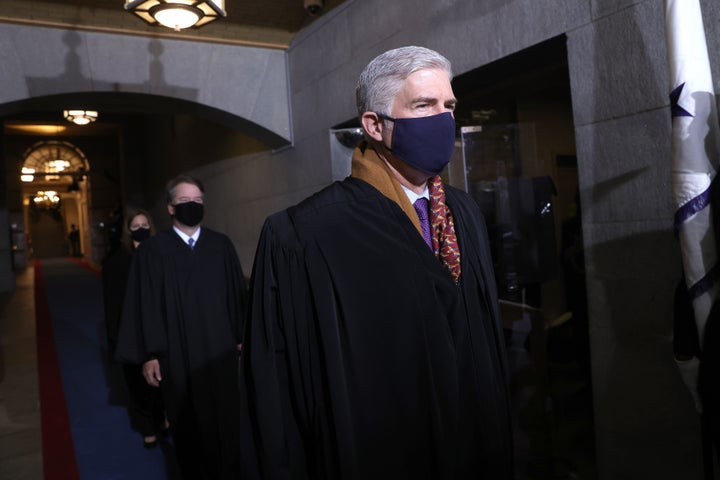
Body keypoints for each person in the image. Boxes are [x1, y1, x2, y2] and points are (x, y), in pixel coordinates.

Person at [239, 46, 513, 479]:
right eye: (424, 105)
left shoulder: (464, 213)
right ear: (374, 125)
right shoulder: (304, 235)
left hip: (473, 448)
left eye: (449, 106)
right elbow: (278, 387)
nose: (444, 119)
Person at [115, 175, 248, 479]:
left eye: (198, 202)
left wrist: (241, 336)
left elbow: (236, 295)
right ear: (171, 207)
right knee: (187, 423)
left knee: (227, 418)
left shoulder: (221, 245)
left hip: (220, 353)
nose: (192, 206)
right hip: (176, 355)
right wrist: (149, 354)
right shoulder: (152, 252)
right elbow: (143, 305)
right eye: (185, 202)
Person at [101, 208, 167, 448]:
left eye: (145, 224)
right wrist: (116, 339)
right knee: (138, 384)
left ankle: (162, 418)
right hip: (132, 333)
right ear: (128, 231)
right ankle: (147, 427)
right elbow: (113, 306)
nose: (141, 230)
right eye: (135, 226)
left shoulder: (161, 254)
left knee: (162, 380)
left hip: (160, 330)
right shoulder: (117, 262)